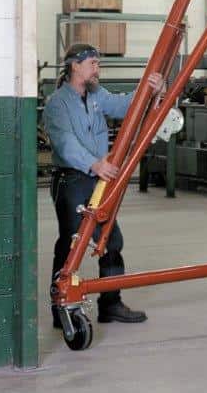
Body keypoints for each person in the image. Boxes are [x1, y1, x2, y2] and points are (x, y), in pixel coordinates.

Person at [45, 42, 164, 328]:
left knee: (110, 240)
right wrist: (95, 164)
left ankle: (110, 304)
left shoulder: (97, 94)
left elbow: (126, 106)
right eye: (93, 64)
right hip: (72, 180)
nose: (97, 69)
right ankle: (61, 307)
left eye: (98, 63)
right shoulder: (57, 103)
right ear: (75, 66)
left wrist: (153, 90)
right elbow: (65, 142)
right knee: (71, 244)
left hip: (98, 180)